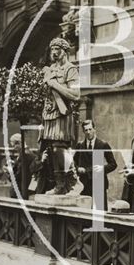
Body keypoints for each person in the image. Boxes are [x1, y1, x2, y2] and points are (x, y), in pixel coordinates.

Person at [40, 37, 83, 195]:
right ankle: (60, 185)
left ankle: (74, 182)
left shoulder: (71, 69)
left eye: (57, 49)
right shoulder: (50, 68)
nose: (54, 52)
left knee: (60, 147)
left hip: (62, 113)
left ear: (64, 51)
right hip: (49, 113)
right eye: (52, 49)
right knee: (51, 149)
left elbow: (76, 94)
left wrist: (54, 84)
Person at [74, 119, 117, 210]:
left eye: (90, 129)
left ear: (94, 129)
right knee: (84, 213)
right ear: (83, 132)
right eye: (86, 130)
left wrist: (102, 168)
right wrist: (78, 169)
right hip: (84, 184)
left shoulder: (103, 145)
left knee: (100, 214)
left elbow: (113, 164)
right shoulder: (80, 145)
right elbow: (73, 163)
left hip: (99, 183)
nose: (88, 132)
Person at [4, 133, 37, 199]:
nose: (14, 148)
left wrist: (8, 171)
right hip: (21, 188)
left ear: (19, 143)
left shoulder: (25, 154)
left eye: (14, 146)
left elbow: (20, 174)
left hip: (20, 189)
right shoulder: (26, 153)